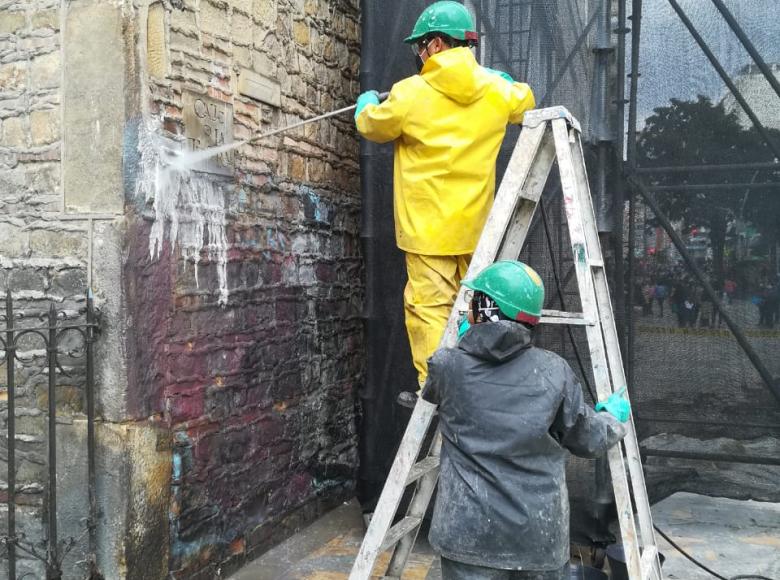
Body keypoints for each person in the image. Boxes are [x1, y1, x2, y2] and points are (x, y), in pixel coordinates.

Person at [354, 1, 536, 406]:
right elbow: (525, 101)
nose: (419, 54)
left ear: (436, 44)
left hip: (427, 230)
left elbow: (373, 126)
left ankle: (439, 388)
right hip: (476, 228)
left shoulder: (410, 93)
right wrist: (498, 79)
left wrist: (367, 103)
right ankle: (485, 382)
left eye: (421, 46)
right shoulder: (495, 90)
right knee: (480, 307)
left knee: (429, 310)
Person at [422, 261, 630, 580]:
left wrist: (470, 340)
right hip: (537, 539)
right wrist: (611, 420)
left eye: (473, 301)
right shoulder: (553, 372)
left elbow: (438, 389)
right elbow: (589, 441)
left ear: (484, 309)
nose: (466, 310)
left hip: (468, 537)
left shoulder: (448, 367)